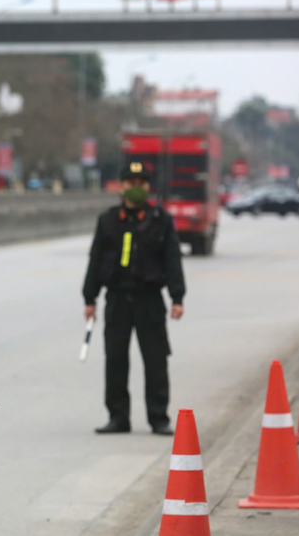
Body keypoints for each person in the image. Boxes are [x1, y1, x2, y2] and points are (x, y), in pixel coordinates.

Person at [82, 161, 186, 436]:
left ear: (147, 187)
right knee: (115, 360)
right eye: (131, 183)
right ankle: (118, 417)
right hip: (117, 299)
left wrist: (177, 297)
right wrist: (89, 299)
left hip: (149, 300)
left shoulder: (160, 220)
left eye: (141, 183)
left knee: (156, 361)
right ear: (123, 186)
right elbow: (95, 260)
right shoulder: (108, 220)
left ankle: (158, 417)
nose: (136, 188)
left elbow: (173, 259)